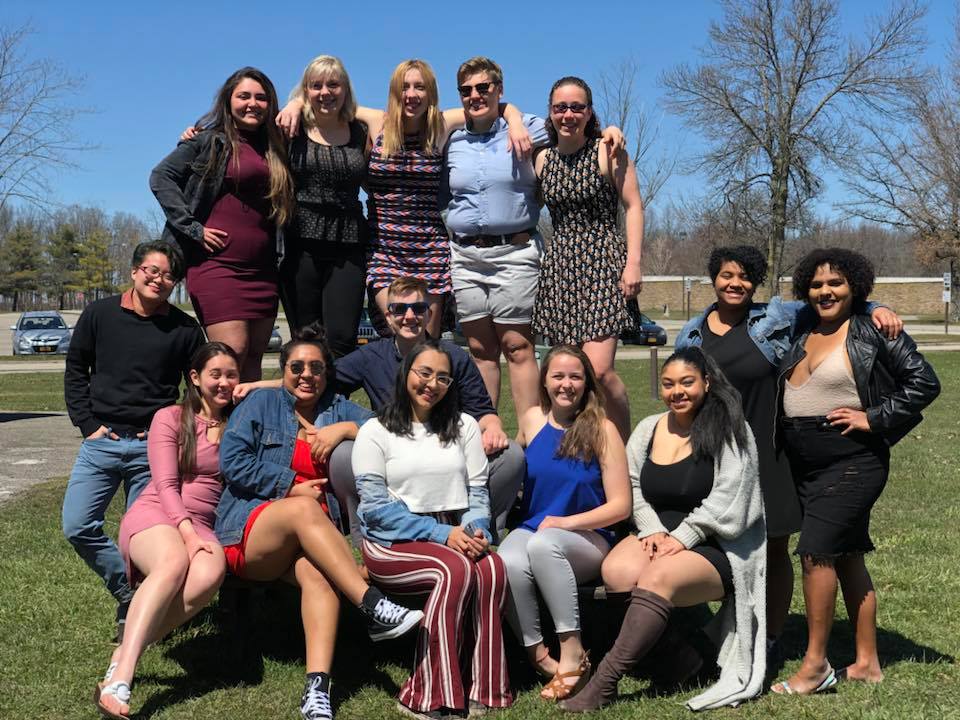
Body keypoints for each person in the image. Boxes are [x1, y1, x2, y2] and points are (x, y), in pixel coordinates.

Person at [675, 245, 903, 657]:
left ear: (756, 283)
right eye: (727, 275)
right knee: (722, 540)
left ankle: (772, 634)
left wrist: (880, 307)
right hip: (714, 452)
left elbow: (835, 301)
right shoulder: (690, 333)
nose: (735, 283)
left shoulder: (775, 319)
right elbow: (680, 390)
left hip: (771, 448)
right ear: (714, 279)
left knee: (774, 544)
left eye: (745, 277)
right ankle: (727, 629)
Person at [216, 324, 423, 720]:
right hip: (251, 534)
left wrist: (346, 428)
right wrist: (289, 485)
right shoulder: (260, 406)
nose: (306, 375)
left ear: (328, 372)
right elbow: (233, 461)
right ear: (284, 369)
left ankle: (317, 688)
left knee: (321, 577)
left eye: (316, 367)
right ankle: (371, 603)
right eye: (297, 367)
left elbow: (394, 432)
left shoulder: (339, 407)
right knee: (304, 507)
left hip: (311, 544)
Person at [234, 276, 525, 548]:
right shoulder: (370, 356)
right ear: (387, 316)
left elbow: (483, 412)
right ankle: (368, 537)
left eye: (418, 308)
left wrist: (493, 426)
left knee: (511, 455)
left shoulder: (455, 357)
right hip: (394, 454)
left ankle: (480, 531)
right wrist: (263, 384)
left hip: (448, 452)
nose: (409, 316)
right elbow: (317, 378)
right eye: (399, 309)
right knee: (344, 454)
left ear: (429, 313)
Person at [560, 347, 767, 712]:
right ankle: (681, 659)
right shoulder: (648, 428)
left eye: (687, 382)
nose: (677, 392)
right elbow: (632, 484)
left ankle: (606, 680)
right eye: (669, 384)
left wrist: (682, 537)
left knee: (655, 579)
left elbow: (731, 500)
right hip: (658, 535)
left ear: (706, 381)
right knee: (616, 570)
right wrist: (653, 529)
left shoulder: (732, 429)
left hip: (716, 543)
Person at [771, 248, 939, 695]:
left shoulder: (873, 329)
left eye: (837, 284)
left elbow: (925, 382)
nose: (826, 292)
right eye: (817, 284)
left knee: (816, 552)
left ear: (856, 287)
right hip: (804, 465)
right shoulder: (801, 325)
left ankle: (815, 665)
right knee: (847, 558)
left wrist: (874, 417)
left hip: (852, 460)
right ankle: (866, 662)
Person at [276, 58, 532, 340]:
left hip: (430, 252)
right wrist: (294, 104)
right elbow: (329, 101)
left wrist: (516, 121)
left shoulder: (441, 125)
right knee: (398, 338)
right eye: (405, 87)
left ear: (431, 92)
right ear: (395, 92)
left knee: (427, 345)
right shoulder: (378, 123)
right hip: (384, 250)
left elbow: (493, 105)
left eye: (419, 87)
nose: (412, 94)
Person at [441, 57, 624, 420]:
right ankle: (484, 435)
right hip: (465, 255)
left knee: (518, 346)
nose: (475, 95)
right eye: (466, 90)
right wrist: (506, 113)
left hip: (515, 250)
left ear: (500, 89)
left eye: (484, 88)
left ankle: (531, 435)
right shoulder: (451, 139)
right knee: (479, 349)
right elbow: (422, 118)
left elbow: (573, 128)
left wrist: (611, 131)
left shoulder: (532, 129)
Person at [353, 338, 512, 718]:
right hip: (392, 543)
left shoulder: (464, 427)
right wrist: (444, 535)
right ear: (405, 374)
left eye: (443, 378)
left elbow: (477, 494)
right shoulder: (375, 431)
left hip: (454, 534)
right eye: (424, 373)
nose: (432, 384)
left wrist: (477, 533)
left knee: (491, 568)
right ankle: (427, 693)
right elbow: (375, 512)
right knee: (452, 569)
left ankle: (485, 687)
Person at [63, 241, 205, 642]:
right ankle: (130, 593)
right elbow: (76, 370)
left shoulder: (183, 328)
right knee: (77, 525)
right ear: (134, 271)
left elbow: (197, 387)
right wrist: (88, 424)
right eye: (152, 271)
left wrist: (172, 430)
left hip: (152, 449)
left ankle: (143, 610)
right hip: (101, 441)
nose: (159, 280)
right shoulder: (99, 315)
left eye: (168, 276)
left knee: (143, 536)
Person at [94, 343, 240, 719]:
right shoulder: (170, 417)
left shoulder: (239, 422)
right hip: (157, 512)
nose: (224, 383)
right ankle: (121, 680)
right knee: (174, 561)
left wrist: (255, 387)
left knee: (211, 573)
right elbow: (165, 484)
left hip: (204, 523)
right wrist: (188, 535)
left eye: (232, 375)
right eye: (215, 374)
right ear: (194, 378)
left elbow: (286, 388)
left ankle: (125, 650)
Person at [498, 345, 631, 701]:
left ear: (586, 382)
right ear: (545, 379)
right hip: (534, 528)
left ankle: (573, 652)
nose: (566, 384)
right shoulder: (531, 420)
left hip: (588, 537)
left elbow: (621, 505)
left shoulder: (603, 429)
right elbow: (512, 470)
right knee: (507, 559)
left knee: (544, 546)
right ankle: (539, 656)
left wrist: (566, 522)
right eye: (558, 375)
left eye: (575, 376)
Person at [151, 67, 294, 381]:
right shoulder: (209, 141)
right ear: (228, 101)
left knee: (254, 359)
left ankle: (245, 429)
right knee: (231, 355)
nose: (252, 103)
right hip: (217, 265)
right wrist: (193, 228)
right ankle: (210, 427)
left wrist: (295, 105)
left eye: (261, 97)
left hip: (264, 269)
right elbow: (161, 177)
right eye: (243, 96)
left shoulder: (277, 145)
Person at [532, 77, 644, 440]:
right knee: (567, 375)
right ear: (550, 112)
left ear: (589, 112)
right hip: (560, 266)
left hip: (603, 263)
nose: (568, 114)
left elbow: (633, 206)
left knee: (600, 372)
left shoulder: (608, 151)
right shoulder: (542, 158)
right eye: (560, 107)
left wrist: (634, 263)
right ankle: (578, 448)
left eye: (577, 107)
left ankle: (623, 451)